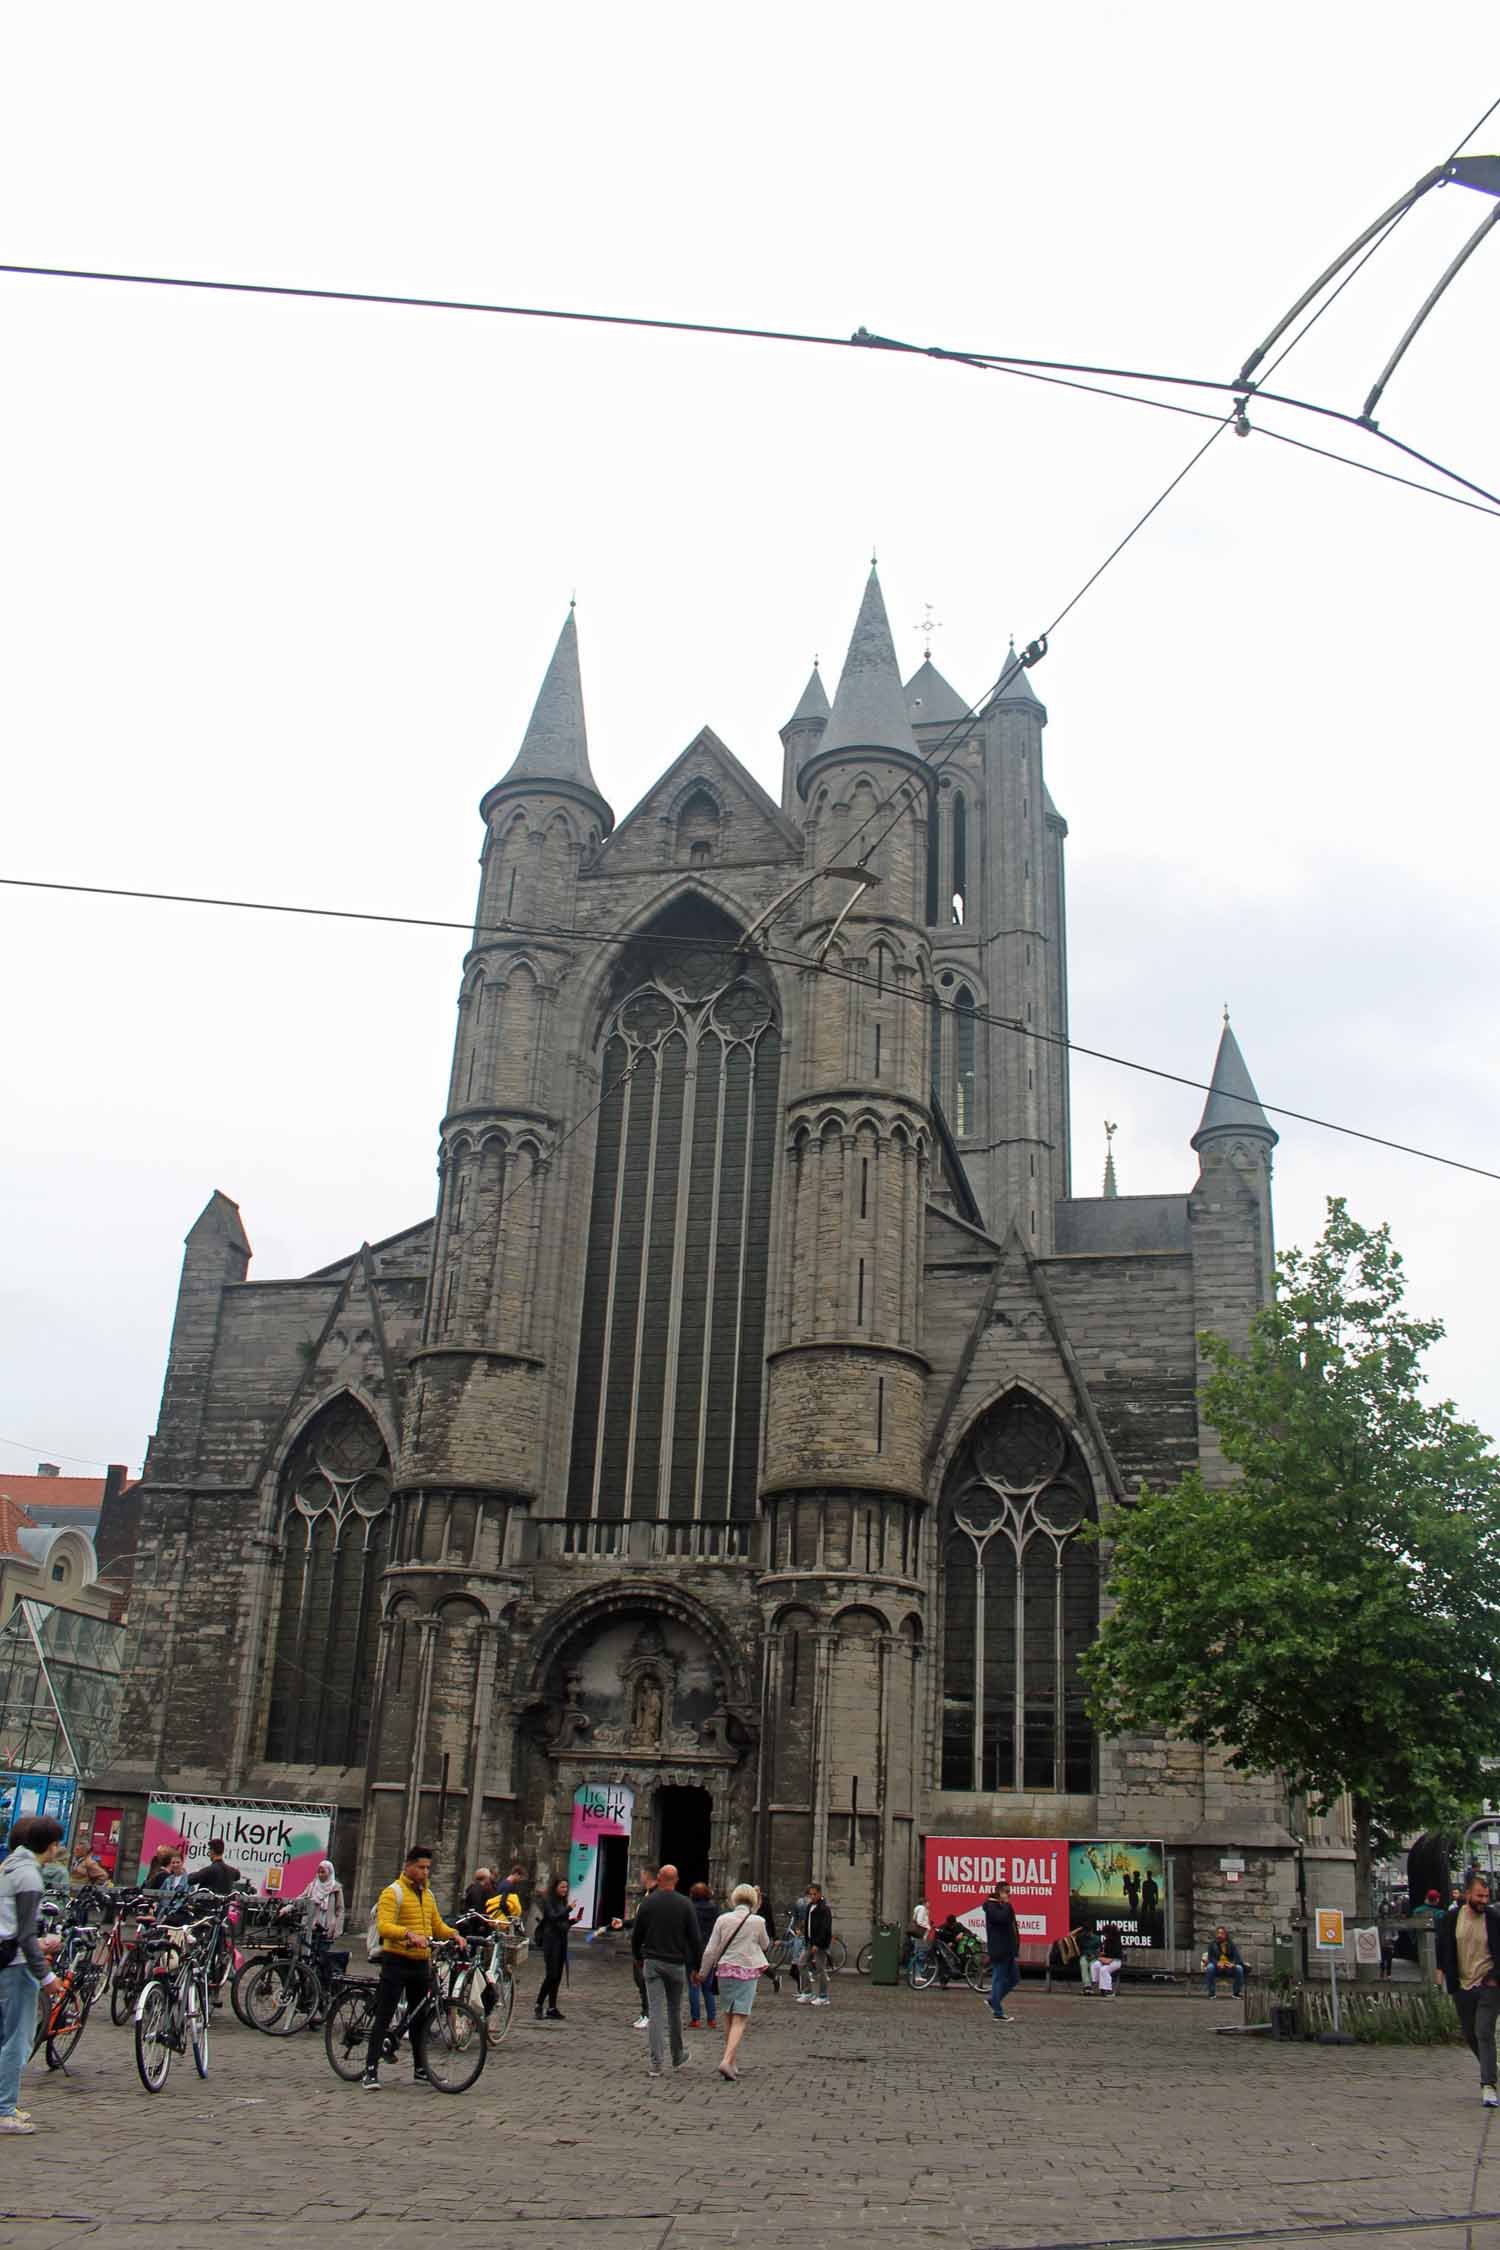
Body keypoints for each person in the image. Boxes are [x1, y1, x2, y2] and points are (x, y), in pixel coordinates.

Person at [360, 1843, 463, 2089]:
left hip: (421, 1963)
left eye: (428, 1868)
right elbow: (384, 1926)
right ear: (408, 1866)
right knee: (384, 2015)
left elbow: (436, 1925)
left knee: (419, 2018)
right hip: (397, 1961)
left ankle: (420, 2069)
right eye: (421, 1867)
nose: (425, 1872)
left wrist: (454, 1934)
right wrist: (408, 1934)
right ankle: (370, 2070)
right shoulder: (392, 1892)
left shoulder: (428, 1896)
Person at [0, 1815, 67, 2133]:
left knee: (5, 2035)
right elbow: (25, 1935)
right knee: (18, 2039)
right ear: (51, 1846)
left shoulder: (9, 1866)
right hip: (17, 1965)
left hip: (5, 1959)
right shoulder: (29, 1876)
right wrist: (47, 1977)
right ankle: (4, 2108)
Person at [630, 1862, 702, 2077]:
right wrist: (696, 1966)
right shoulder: (685, 1904)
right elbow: (695, 1939)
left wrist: (637, 1957)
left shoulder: (648, 1903)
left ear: (659, 1879)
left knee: (655, 2012)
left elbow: (637, 1935)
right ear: (677, 1881)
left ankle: (656, 2063)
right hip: (676, 1963)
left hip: (652, 1961)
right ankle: (677, 2054)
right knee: (674, 2010)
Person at [1436, 1871, 1500, 2106]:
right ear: (1467, 1894)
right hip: (1462, 1984)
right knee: (1471, 2034)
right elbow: (1444, 1946)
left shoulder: (1494, 1918)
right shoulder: (1452, 1918)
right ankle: (1491, 2066)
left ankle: (1488, 2086)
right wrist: (1441, 1970)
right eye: (1479, 1896)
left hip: (1489, 1984)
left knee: (1484, 2030)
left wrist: (1494, 1977)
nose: (1484, 1900)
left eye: (1487, 1896)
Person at [698, 1882, 771, 2081]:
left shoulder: (723, 1919)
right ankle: (726, 2060)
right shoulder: (758, 1921)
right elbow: (765, 1945)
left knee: (728, 2015)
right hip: (746, 1971)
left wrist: (703, 1973)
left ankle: (732, 2061)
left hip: (724, 1970)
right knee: (740, 2017)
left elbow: (710, 1950)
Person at [535, 1876, 582, 2020]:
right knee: (551, 1975)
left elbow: (563, 1923)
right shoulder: (549, 1901)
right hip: (551, 1942)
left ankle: (552, 2007)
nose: (564, 1890)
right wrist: (568, 1909)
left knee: (558, 1976)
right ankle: (538, 2004)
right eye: (562, 1887)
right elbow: (553, 1917)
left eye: (566, 1887)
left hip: (561, 1941)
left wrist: (573, 1921)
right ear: (555, 1887)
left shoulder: (562, 1901)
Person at [304, 1860, 348, 1992]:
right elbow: (301, 1899)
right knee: (309, 1956)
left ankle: (319, 1987)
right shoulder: (312, 1886)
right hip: (311, 1928)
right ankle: (309, 1986)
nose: (320, 1874)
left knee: (321, 1957)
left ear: (330, 1872)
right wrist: (288, 1906)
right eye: (319, 1871)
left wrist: (337, 1929)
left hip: (326, 1929)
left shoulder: (336, 1888)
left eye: (323, 1872)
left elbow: (340, 1909)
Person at [983, 1879, 1020, 2023]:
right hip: (999, 1949)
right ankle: (997, 2012)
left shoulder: (1001, 1906)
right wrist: (1007, 1905)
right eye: (1007, 1892)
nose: (1009, 1895)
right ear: (999, 1892)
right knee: (998, 1979)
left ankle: (994, 2000)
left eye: (1009, 1892)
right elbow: (1002, 1918)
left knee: (1014, 1978)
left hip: (1008, 1949)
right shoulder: (992, 1906)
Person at [687, 1881, 719, 2029]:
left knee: (693, 1985)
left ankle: (696, 2019)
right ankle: (711, 2019)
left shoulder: (689, 1908)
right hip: (710, 1950)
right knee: (708, 1986)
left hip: (692, 1950)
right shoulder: (714, 1909)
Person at [798, 1883, 833, 2007]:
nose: (812, 1896)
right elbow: (808, 1924)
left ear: (819, 1893)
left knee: (820, 1969)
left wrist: (817, 1943)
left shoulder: (824, 1909)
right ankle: (807, 1993)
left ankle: (823, 1996)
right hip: (809, 1942)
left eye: (814, 1894)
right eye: (810, 1894)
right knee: (801, 1964)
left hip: (820, 1944)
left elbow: (825, 1928)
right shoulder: (809, 1907)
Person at [1202, 1926, 1245, 1998]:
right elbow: (1210, 1958)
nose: (1219, 1935)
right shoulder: (1212, 1944)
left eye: (1222, 1933)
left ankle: (1236, 1993)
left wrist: (1232, 1964)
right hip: (1217, 1968)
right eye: (1218, 1933)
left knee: (1239, 1968)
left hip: (1229, 1968)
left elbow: (1237, 1958)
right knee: (1210, 1967)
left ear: (1225, 1935)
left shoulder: (1231, 1944)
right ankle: (1211, 1993)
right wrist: (1217, 1963)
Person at [1090, 1924, 1125, 1995]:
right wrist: (1099, 1955)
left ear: (1109, 1933)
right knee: (1095, 1964)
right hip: (1106, 1960)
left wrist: (1102, 1959)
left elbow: (1112, 1958)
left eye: (1105, 1933)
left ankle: (1108, 1990)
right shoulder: (1106, 1941)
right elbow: (1105, 1953)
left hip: (1116, 1961)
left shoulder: (1117, 1941)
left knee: (1104, 1969)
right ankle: (1098, 1983)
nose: (1104, 1935)